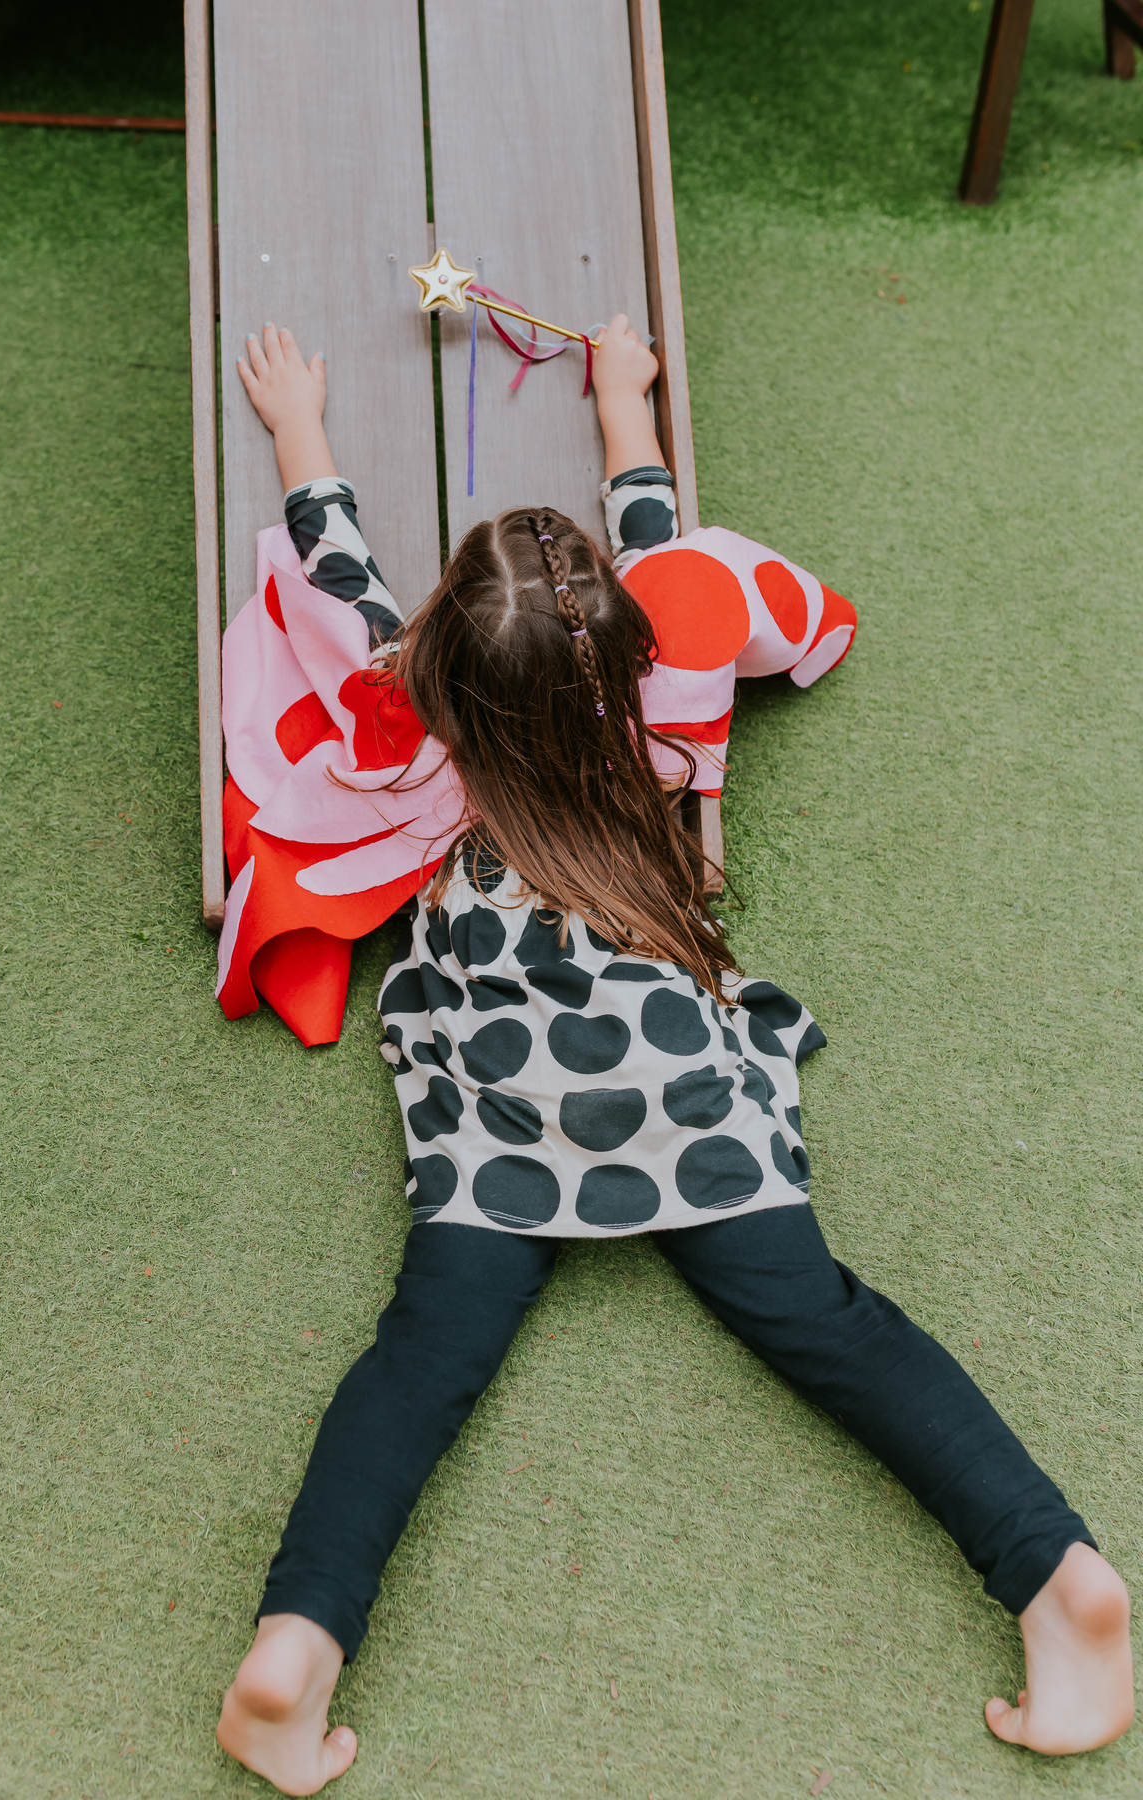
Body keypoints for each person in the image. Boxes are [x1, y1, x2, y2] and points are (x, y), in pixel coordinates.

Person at [215, 318, 1133, 1795]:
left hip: (508, 1110)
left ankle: (296, 1646)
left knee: (420, 1365)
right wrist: (626, 406)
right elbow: (659, 536)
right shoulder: (671, 696)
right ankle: (1057, 1577)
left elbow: (339, 581)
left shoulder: (414, 705)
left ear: (447, 662)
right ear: (634, 645)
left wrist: (300, 431)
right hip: (673, 1092)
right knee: (832, 1325)